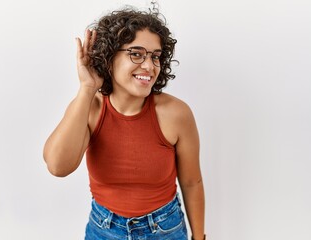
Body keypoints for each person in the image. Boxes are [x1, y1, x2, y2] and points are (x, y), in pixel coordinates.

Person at [43, 6, 205, 240]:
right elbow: (58, 167)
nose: (149, 66)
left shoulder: (176, 114)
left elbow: (192, 182)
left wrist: (199, 238)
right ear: (109, 58)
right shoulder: (90, 107)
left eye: (155, 56)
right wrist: (87, 89)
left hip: (164, 229)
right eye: (136, 54)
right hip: (103, 229)